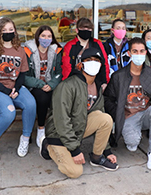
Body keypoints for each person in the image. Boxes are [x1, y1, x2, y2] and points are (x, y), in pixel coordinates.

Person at [40, 47, 118, 179]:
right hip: (58, 134)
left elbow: (100, 114)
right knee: (75, 172)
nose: (93, 63)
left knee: (105, 118)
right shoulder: (67, 86)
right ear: (81, 64)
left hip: (77, 128)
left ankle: (96, 157)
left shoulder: (97, 87)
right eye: (89, 60)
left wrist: (107, 150)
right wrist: (75, 150)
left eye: (97, 61)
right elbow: (61, 120)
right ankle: (48, 145)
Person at [0, 17, 36, 162]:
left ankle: (25, 138)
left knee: (31, 104)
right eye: (4, 30)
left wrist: (16, 89)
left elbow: (22, 74)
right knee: (9, 111)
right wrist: (6, 91)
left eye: (11, 30)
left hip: (14, 87)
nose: (8, 33)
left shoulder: (20, 50)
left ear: (15, 31)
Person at [104, 38, 151, 170]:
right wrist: (119, 114)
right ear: (129, 53)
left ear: (145, 53)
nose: (139, 54)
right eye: (135, 51)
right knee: (132, 144)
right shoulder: (118, 76)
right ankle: (129, 132)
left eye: (142, 51)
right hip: (129, 116)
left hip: (146, 113)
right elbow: (108, 98)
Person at [24, 25, 62, 147]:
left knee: (58, 98)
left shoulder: (56, 51)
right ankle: (41, 128)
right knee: (42, 97)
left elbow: (59, 73)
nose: (46, 39)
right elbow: (24, 76)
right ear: (38, 37)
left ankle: (55, 130)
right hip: (33, 85)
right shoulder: (28, 51)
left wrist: (51, 84)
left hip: (50, 84)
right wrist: (40, 84)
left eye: (49, 36)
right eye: (43, 36)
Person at [62, 17, 109, 90]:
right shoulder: (70, 46)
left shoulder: (97, 44)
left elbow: (104, 64)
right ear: (77, 30)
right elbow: (66, 67)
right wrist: (67, 85)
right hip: (76, 83)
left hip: (96, 82)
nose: (86, 31)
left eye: (89, 29)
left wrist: (105, 82)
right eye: (83, 29)